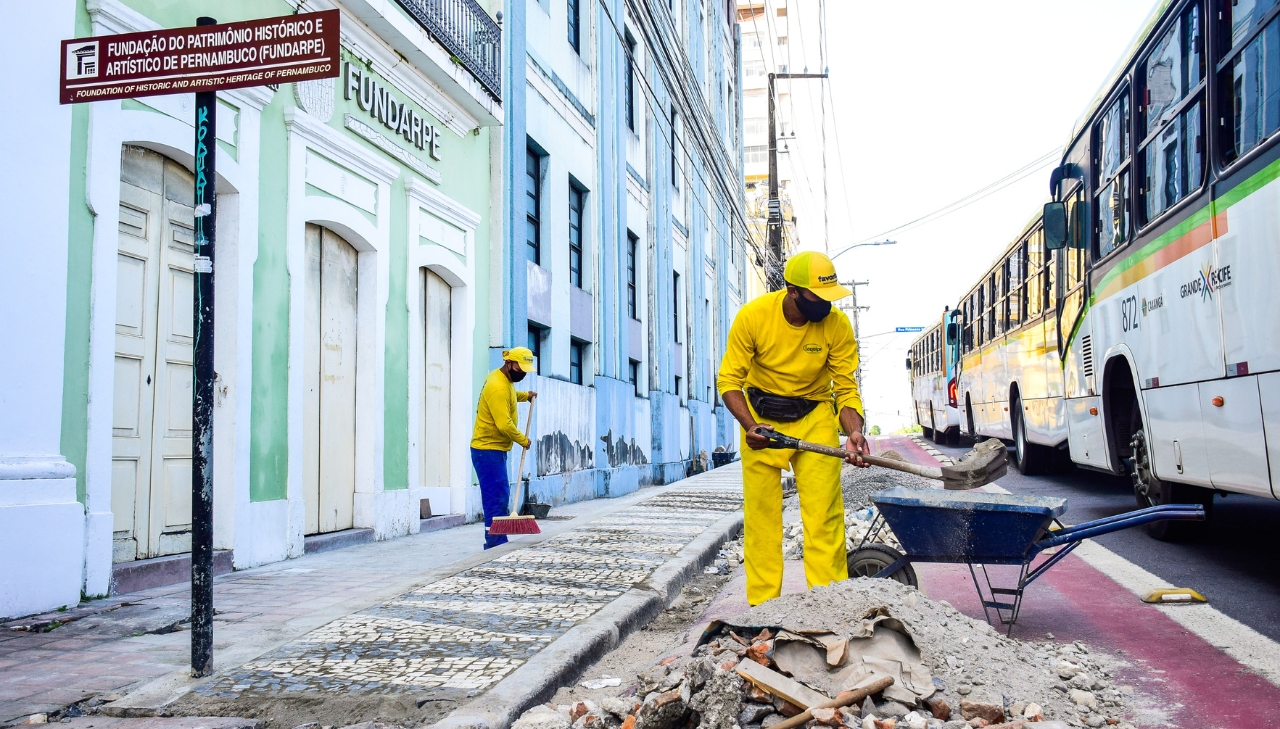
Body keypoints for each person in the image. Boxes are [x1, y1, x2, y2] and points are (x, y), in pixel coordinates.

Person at [716, 251, 869, 605]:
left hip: (814, 416)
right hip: (761, 421)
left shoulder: (837, 327)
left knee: (825, 518)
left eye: (831, 297)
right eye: (819, 297)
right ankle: (764, 607)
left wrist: (854, 431)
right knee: (762, 521)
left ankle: (830, 605)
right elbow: (729, 380)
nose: (827, 305)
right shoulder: (754, 317)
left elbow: (845, 389)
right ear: (792, 290)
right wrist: (750, 426)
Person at [471, 347, 538, 548]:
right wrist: (523, 440)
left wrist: (525, 395)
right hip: (487, 451)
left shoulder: (503, 380)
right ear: (509, 363)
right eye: (521, 368)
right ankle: (494, 543)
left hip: (495, 450)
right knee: (495, 498)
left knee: (500, 495)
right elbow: (504, 424)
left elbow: (509, 395)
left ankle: (497, 540)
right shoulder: (497, 386)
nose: (523, 373)